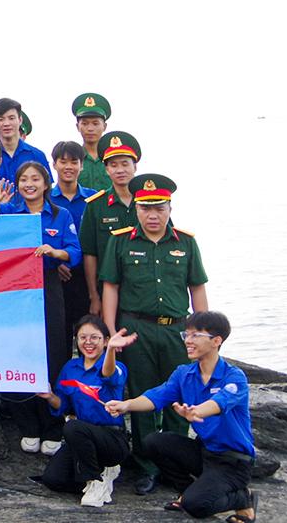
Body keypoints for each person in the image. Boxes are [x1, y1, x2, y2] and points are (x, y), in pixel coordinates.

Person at [99, 173, 209, 495]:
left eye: (159, 208)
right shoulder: (120, 241)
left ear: (169, 208)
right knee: (142, 396)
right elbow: (111, 287)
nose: (152, 215)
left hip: (177, 330)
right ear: (136, 208)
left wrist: (202, 332)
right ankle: (146, 466)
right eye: (146, 208)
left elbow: (197, 288)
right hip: (137, 329)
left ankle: (175, 466)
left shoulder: (186, 242)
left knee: (180, 396)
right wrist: (110, 333)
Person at [104, 311, 256, 520]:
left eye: (195, 336)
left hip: (234, 462)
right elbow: (156, 397)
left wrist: (195, 411)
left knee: (197, 506)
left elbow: (219, 402)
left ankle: (242, 499)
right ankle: (188, 490)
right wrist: (126, 404)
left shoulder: (234, 376)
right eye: (186, 335)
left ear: (216, 341)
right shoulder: (184, 373)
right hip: (205, 453)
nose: (188, 341)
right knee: (154, 442)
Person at [36, 316, 132, 507]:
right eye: (82, 337)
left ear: (105, 340)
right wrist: (49, 396)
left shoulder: (116, 366)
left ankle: (95, 480)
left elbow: (108, 374)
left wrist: (112, 350)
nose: (88, 343)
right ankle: (101, 474)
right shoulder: (70, 368)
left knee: (73, 427)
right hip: (81, 439)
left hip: (111, 438)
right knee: (52, 479)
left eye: (95, 338)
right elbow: (62, 405)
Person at [3, 161, 80, 387]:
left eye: (35, 179)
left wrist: (57, 252)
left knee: (53, 340)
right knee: (18, 338)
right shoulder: (9, 212)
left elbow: (75, 251)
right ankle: (16, 399)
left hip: (49, 283)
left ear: (46, 184)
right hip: (15, 287)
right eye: (24, 180)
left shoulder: (60, 215)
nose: (29, 184)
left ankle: (54, 397)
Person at [78, 131, 142, 318]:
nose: (120, 170)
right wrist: (94, 296)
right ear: (106, 170)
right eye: (113, 165)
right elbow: (90, 254)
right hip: (108, 290)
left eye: (125, 164)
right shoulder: (95, 205)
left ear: (135, 166)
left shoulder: (150, 205)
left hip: (143, 290)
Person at [50, 141, 92, 341]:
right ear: (54, 165)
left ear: (82, 165)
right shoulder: (45, 198)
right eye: (63, 161)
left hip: (88, 278)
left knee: (90, 336)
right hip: (56, 278)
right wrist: (54, 264)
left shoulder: (93, 200)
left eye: (74, 162)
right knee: (59, 337)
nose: (68, 167)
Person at [0, 97, 53, 184]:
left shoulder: (37, 155)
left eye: (11, 118)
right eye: (1, 119)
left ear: (20, 120)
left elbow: (47, 191)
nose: (6, 123)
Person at [71, 93, 113, 193]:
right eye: (84, 123)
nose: (90, 128)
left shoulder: (113, 158)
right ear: (77, 127)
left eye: (95, 123)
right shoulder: (73, 159)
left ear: (105, 126)